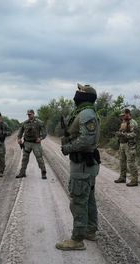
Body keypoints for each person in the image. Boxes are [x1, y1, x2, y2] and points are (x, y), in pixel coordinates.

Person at [56, 83, 100, 251]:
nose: (77, 94)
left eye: (80, 91)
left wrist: (68, 147)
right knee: (88, 199)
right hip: (84, 164)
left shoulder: (87, 113)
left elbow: (87, 140)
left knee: (78, 200)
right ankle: (90, 231)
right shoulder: (85, 112)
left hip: (82, 164)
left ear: (86, 96)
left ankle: (77, 239)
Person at [16, 109, 48, 179]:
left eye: (30, 114)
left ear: (33, 114)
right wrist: (19, 138)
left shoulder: (39, 122)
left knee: (39, 158)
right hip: (27, 143)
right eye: (28, 114)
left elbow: (45, 133)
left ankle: (43, 172)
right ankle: (22, 172)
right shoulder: (24, 123)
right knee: (24, 158)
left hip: (36, 143)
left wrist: (40, 138)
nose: (29, 116)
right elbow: (20, 132)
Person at [114, 108, 139, 187]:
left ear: (128, 114)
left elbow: (134, 134)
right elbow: (122, 131)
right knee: (122, 162)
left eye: (123, 115)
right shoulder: (123, 122)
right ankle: (122, 177)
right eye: (122, 115)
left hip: (129, 145)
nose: (122, 117)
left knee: (131, 162)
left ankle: (134, 180)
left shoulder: (133, 123)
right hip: (122, 144)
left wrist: (124, 135)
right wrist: (119, 134)